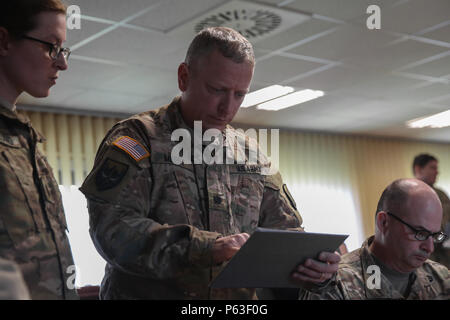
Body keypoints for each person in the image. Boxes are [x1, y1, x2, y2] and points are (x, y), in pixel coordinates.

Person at [80, 27, 340, 300]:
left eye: (240, 94)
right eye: (217, 90)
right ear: (184, 77)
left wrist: (317, 269)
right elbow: (113, 231)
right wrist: (207, 247)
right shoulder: (138, 138)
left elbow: (285, 236)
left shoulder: (252, 154)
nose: (227, 108)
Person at [0, 0, 78, 299]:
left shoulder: (24, 136)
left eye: (63, 50)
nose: (62, 63)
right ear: (4, 41)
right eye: (51, 47)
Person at [300, 179, 449, 300]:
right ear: (384, 223)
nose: (430, 248)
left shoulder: (441, 278)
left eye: (435, 236)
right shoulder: (335, 285)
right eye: (420, 233)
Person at [413, 153, 450, 268]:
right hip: (423, 257)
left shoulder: (441, 194)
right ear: (418, 169)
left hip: (444, 257)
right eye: (432, 168)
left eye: (437, 168)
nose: (437, 172)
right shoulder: (409, 194)